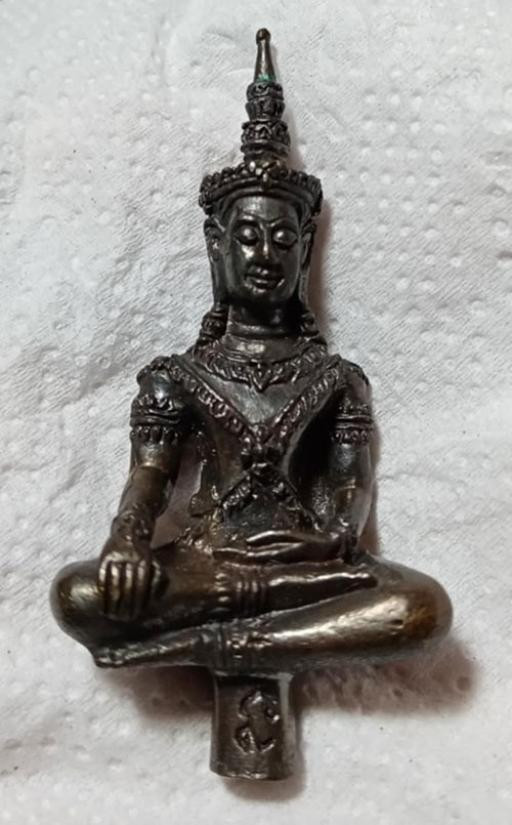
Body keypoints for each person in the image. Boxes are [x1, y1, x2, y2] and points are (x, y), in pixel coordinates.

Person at [50, 29, 451, 678]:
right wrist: (126, 540)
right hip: (206, 562)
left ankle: (217, 644)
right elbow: (149, 477)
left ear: (305, 254)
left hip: (308, 566)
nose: (266, 255)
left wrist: (333, 538)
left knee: (421, 607)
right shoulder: (176, 377)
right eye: (248, 237)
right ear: (218, 249)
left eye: (283, 240)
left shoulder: (336, 380)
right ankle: (275, 634)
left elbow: (351, 484)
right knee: (78, 593)